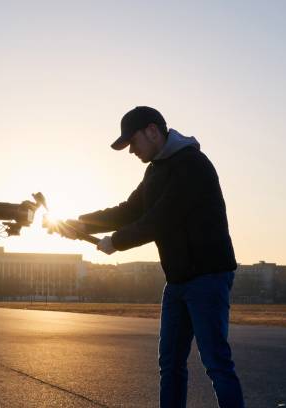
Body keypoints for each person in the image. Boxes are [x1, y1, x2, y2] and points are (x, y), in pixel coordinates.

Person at [49, 106, 244, 408]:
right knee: (170, 364)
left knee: (216, 362)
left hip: (208, 276)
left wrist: (116, 241)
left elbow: (161, 218)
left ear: (153, 131)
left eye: (132, 142)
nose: (130, 151)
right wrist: (76, 223)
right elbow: (128, 211)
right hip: (177, 280)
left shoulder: (192, 164)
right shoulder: (155, 171)